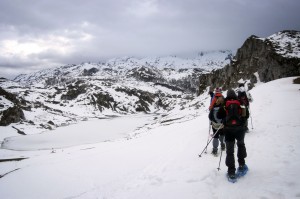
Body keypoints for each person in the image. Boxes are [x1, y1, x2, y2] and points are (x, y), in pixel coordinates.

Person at [217, 89, 249, 182]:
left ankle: (231, 172)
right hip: (240, 130)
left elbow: (219, 116)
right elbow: (246, 115)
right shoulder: (240, 102)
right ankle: (242, 165)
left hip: (228, 130)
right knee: (241, 145)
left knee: (230, 151)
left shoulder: (224, 103)